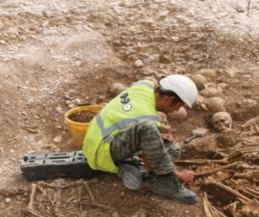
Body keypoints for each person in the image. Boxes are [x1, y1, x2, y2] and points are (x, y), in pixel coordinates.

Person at [82, 74, 198, 204]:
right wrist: (179, 175)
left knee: (173, 148)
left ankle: (128, 166)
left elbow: (129, 115)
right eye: (178, 106)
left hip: (97, 138)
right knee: (148, 130)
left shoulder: (145, 86)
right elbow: (151, 163)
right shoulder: (147, 118)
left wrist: (156, 138)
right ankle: (167, 185)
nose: (177, 110)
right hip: (101, 151)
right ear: (169, 99)